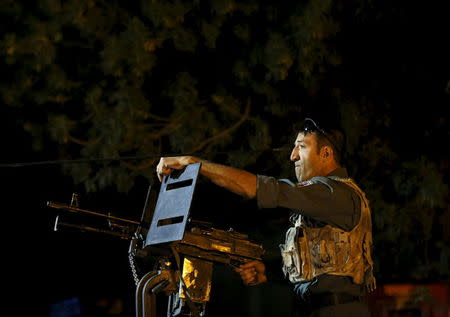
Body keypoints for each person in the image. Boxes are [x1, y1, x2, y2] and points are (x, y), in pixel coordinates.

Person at [156, 118, 376, 317]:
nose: (293, 156)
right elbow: (321, 267)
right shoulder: (323, 198)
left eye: (301, 147)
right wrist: (268, 271)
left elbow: (259, 188)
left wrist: (193, 164)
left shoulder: (333, 192)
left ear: (326, 153)